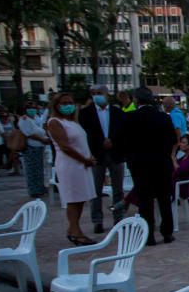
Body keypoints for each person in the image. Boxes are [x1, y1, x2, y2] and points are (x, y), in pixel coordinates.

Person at [115, 86, 176, 245]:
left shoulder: (129, 118)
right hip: (161, 162)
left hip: (140, 163)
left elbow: (123, 141)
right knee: (164, 198)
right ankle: (167, 232)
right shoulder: (164, 118)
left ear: (136, 99)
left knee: (145, 199)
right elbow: (171, 140)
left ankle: (149, 235)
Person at [46, 93, 98, 245]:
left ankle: (73, 228)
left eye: (70, 102)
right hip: (70, 165)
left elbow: (80, 143)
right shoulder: (54, 122)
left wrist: (89, 157)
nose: (68, 105)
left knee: (80, 198)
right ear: (56, 105)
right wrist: (84, 159)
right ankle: (75, 231)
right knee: (73, 199)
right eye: (64, 103)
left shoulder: (73, 122)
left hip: (82, 164)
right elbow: (65, 147)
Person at [79, 84, 126, 234]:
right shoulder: (86, 113)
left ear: (106, 94)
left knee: (118, 189)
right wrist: (101, 142)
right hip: (96, 154)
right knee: (96, 190)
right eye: (93, 93)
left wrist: (112, 140)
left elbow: (122, 130)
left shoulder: (117, 112)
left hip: (115, 153)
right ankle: (97, 220)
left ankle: (118, 217)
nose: (96, 95)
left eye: (99, 93)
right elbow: (86, 133)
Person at [18, 102, 50, 198]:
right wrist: (42, 139)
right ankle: (34, 190)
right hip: (31, 147)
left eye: (34, 108)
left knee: (39, 169)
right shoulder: (24, 119)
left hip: (39, 146)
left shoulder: (36, 117)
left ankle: (40, 187)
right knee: (32, 169)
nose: (32, 110)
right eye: (29, 108)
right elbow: (29, 133)